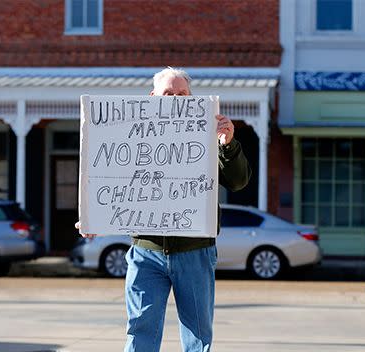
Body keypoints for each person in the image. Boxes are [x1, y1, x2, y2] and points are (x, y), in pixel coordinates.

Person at [77, 67, 251, 352]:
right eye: (168, 94)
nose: (175, 99)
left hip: (195, 252)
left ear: (192, 98)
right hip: (147, 252)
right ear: (152, 97)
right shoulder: (128, 134)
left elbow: (238, 181)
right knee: (140, 330)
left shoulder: (209, 135)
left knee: (198, 336)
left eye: (182, 94)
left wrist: (228, 144)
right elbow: (110, 182)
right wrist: (93, 216)